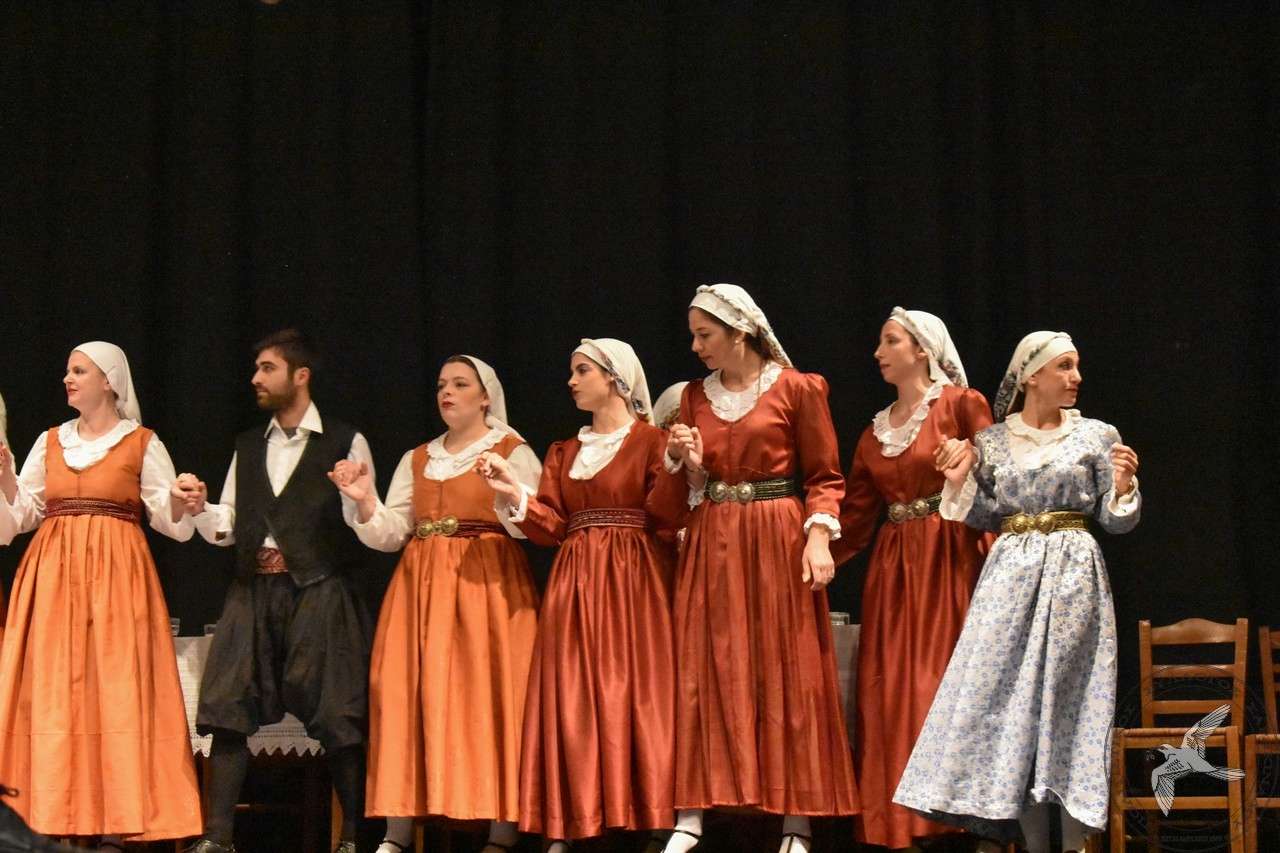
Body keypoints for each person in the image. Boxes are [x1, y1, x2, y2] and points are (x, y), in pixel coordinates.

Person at [893, 331, 1141, 853]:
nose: (1076, 378)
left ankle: (1074, 843)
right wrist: (958, 478)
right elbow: (983, 514)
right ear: (1031, 376)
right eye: (1064, 367)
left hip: (1072, 576)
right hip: (1008, 578)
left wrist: (1121, 489)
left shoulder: (1097, 435)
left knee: (1067, 703)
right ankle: (1030, 844)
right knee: (1011, 705)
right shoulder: (992, 442)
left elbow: (1115, 521)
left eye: (1076, 367)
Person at [663, 285, 859, 853]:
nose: (696, 346)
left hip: (775, 534)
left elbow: (824, 476)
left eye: (705, 334)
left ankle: (796, 819)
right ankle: (692, 814)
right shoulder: (694, 397)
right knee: (707, 664)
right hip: (714, 536)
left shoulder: (798, 389)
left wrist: (818, 539)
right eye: (694, 336)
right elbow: (695, 485)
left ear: (740, 332)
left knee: (787, 666)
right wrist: (688, 462)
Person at [476, 338, 684, 852]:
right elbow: (551, 525)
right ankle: (573, 819)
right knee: (574, 693)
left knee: (637, 692)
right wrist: (514, 492)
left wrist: (677, 465)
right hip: (575, 580)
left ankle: (653, 818)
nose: (571, 381)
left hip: (635, 579)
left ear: (614, 377)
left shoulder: (653, 442)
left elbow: (666, 514)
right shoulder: (564, 451)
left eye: (582, 370)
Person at [175, 329, 374, 853]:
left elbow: (365, 520)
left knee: (338, 712)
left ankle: (353, 838)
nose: (256, 379)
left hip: (319, 588)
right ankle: (218, 839)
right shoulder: (249, 444)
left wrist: (358, 497)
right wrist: (201, 510)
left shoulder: (344, 441)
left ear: (300, 375)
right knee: (227, 704)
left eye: (267, 368)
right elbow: (230, 522)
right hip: (253, 588)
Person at [333, 355, 541, 853]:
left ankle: (501, 831)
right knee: (406, 694)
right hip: (420, 588)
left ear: (485, 397)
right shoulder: (418, 457)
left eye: (460, 384)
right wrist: (364, 500)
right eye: (442, 384)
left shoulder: (511, 449)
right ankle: (398, 831)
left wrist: (507, 489)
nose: (447, 392)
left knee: (490, 696)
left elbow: (533, 522)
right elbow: (391, 532)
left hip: (486, 585)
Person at [0, 341, 201, 847]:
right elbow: (21, 516)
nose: (67, 379)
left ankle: (117, 822)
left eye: (79, 371)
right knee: (55, 694)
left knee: (114, 692)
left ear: (109, 381)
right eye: (68, 371)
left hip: (117, 580)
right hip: (52, 579)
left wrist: (181, 501)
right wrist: (3, 476)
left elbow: (168, 518)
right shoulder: (50, 441)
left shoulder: (141, 442)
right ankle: (52, 816)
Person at [831, 307, 993, 850]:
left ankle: (961, 818)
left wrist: (970, 458)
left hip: (950, 556)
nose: (879, 352)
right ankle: (902, 822)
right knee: (891, 690)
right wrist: (804, 554)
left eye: (891, 341)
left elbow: (1001, 476)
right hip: (895, 567)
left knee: (941, 682)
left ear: (922, 349)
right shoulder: (873, 433)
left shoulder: (961, 405)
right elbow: (855, 518)